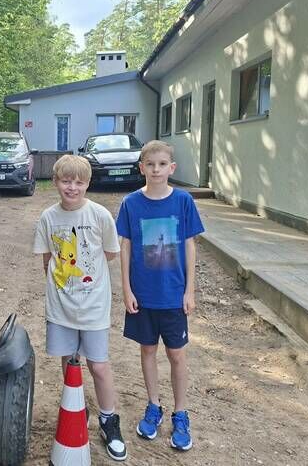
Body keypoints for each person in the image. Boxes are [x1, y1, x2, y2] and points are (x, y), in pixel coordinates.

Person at [33, 155, 128, 461]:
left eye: (78, 182)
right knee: (69, 361)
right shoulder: (48, 217)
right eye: (66, 181)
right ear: (55, 182)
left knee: (98, 365)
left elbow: (110, 253)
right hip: (60, 308)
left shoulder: (99, 215)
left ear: (88, 183)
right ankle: (76, 409)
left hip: (94, 307)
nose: (72, 187)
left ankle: (109, 419)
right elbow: (47, 259)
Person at [116, 140, 204, 451]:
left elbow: (190, 246)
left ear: (171, 168)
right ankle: (153, 406)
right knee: (148, 351)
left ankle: (181, 413)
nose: (156, 170)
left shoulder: (183, 201)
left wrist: (189, 290)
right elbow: (125, 247)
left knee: (177, 355)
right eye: (150, 165)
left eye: (162, 164)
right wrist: (126, 289)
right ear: (141, 168)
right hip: (143, 296)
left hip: (173, 296)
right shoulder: (131, 203)